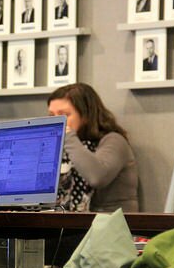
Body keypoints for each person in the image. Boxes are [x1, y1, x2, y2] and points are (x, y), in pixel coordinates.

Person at [47, 83, 138, 212]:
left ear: (85, 115)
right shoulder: (58, 147)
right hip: (66, 224)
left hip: (108, 226)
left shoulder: (114, 141)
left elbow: (96, 176)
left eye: (64, 115)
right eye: (52, 115)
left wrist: (68, 136)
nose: (56, 121)